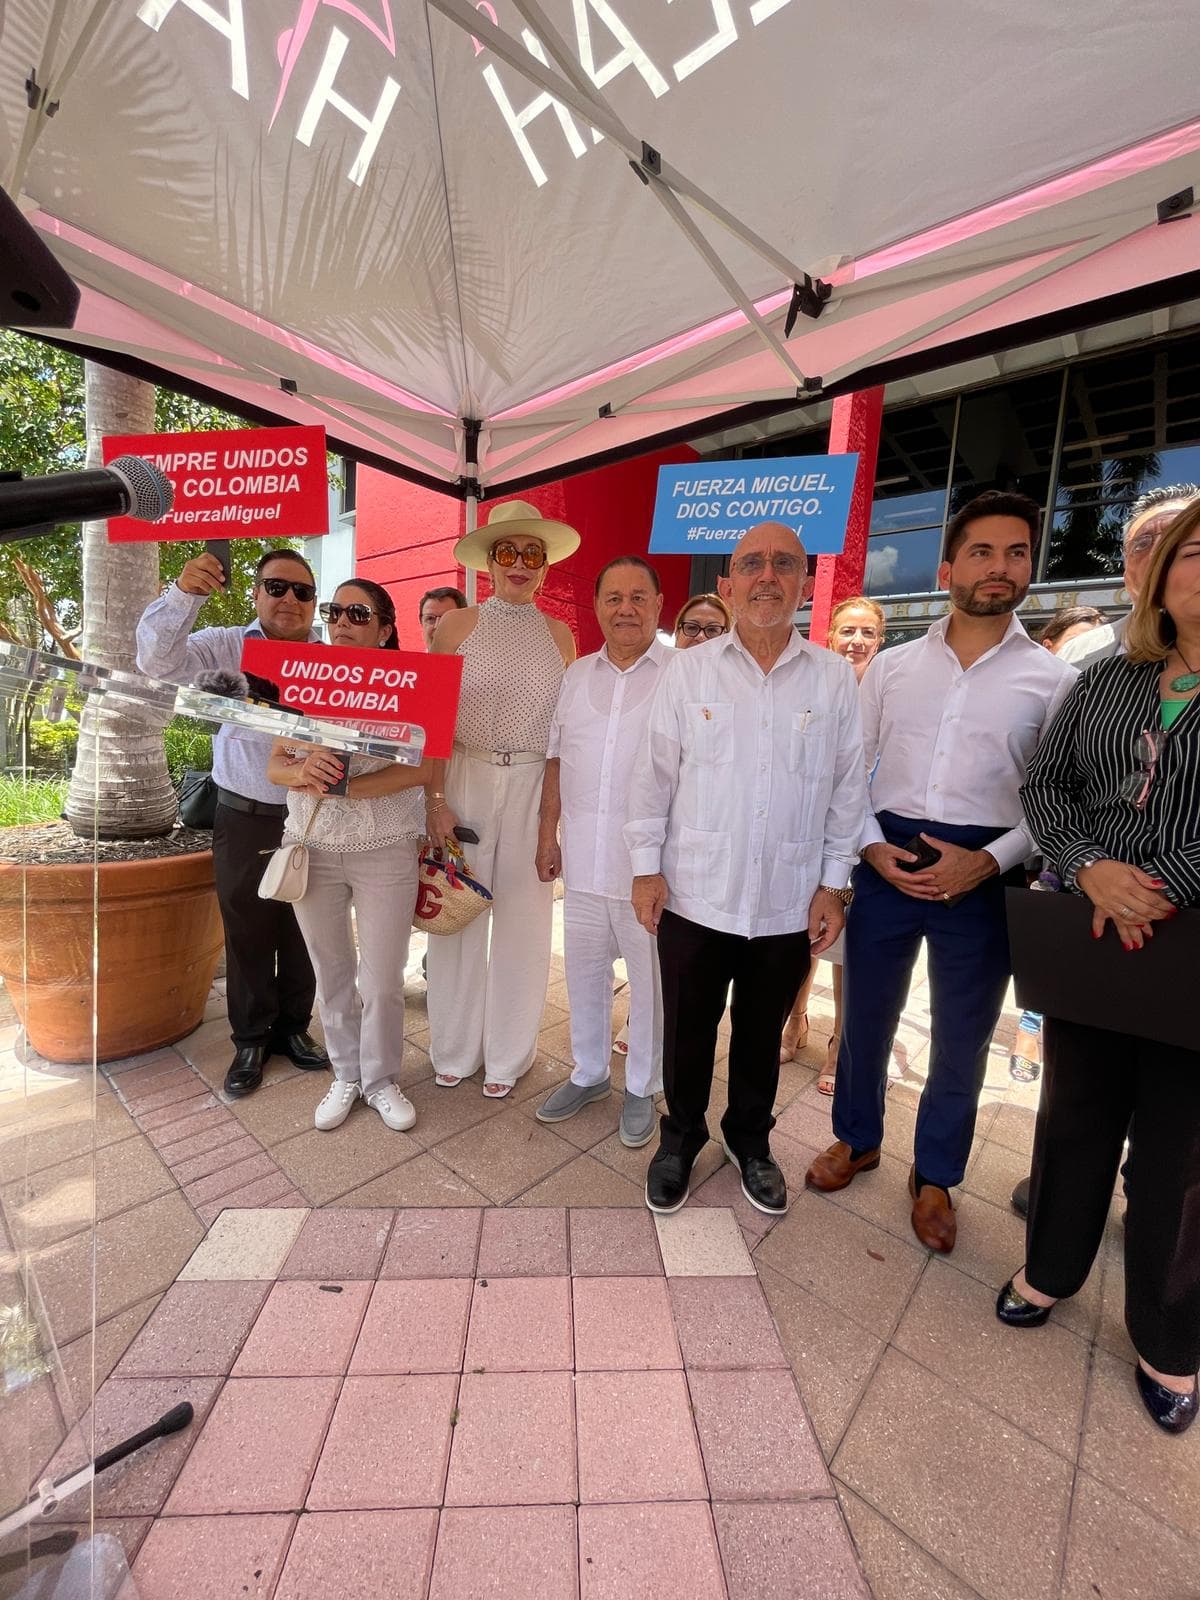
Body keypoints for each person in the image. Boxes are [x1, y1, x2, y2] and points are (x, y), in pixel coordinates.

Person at [806, 491, 1077, 1254]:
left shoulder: (1051, 681)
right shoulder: (891, 668)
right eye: (984, 552)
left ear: (1030, 567)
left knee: (961, 1037)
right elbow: (850, 768)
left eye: (1016, 553)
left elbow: (1056, 797)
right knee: (864, 1016)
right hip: (888, 853)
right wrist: (866, 847)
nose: (1000, 567)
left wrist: (990, 860)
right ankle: (856, 1140)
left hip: (985, 871)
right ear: (948, 565)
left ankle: (936, 1175)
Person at [998, 500, 1200, 1435]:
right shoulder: (1110, 678)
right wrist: (1091, 868)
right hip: (1091, 936)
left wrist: (1158, 885)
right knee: (1073, 1117)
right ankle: (1050, 1272)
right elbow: (1045, 782)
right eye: (1192, 550)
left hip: (1189, 944)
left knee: (1183, 1155)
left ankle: (1169, 1340)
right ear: (1160, 576)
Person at [627, 522, 867, 1216]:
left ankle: (750, 1140)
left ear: (803, 582)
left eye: (783, 564)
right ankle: (679, 1139)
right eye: (752, 564)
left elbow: (849, 788)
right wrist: (646, 870)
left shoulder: (830, 680)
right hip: (696, 894)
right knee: (688, 1031)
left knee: (762, 1037)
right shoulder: (688, 671)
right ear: (729, 583)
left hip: (788, 899)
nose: (768, 576)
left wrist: (833, 882)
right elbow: (652, 778)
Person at [137, 548, 329, 1098]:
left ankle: (294, 1030)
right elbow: (155, 661)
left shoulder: (332, 657)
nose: (289, 599)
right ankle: (250, 1039)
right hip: (243, 813)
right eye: (277, 587)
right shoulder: (225, 646)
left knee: (302, 930)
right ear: (255, 591)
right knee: (246, 930)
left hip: (310, 816)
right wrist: (185, 594)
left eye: (303, 591)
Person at [265, 579, 432, 1132]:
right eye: (335, 611)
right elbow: (276, 766)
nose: (341, 621)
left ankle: (383, 1079)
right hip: (312, 848)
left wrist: (342, 788)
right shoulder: (302, 677)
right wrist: (302, 769)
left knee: (382, 977)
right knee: (331, 971)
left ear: (386, 629)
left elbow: (423, 769)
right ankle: (347, 1073)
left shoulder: (413, 684)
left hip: (386, 846)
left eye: (358, 614)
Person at [424, 500, 578, 1096]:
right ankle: (454, 1047)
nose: (519, 564)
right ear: (489, 561)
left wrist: (550, 825)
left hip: (534, 784)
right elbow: (435, 722)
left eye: (531, 554)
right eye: (508, 552)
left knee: (525, 922)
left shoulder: (561, 635)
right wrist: (434, 799)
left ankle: (510, 1054)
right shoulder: (456, 627)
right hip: (465, 776)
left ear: (545, 566)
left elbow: (564, 737)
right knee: (457, 915)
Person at [534, 557, 669, 1147]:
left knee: (651, 983)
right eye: (613, 598)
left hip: (652, 868)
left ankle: (642, 1084)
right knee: (584, 975)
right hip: (584, 859)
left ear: (659, 604)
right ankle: (589, 1072)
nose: (626, 608)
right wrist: (547, 833)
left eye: (639, 597)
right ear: (596, 608)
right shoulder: (574, 675)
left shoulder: (683, 674)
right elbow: (556, 760)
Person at [781, 595, 886, 1093]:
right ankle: (796, 1019)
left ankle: (838, 1041)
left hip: (869, 842)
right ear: (831, 636)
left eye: (867, 632)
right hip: (810, 835)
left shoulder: (888, 688)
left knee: (848, 952)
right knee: (805, 939)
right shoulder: (817, 684)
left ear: (880, 640)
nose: (857, 640)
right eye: (848, 630)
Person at [1058, 485, 1199, 668]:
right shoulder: (1075, 655)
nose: (1158, 553)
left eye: (1178, 537)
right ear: (1127, 576)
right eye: (1142, 544)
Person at [419, 586, 467, 650]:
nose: (437, 626)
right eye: (430, 618)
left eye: (446, 618)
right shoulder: (408, 660)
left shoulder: (480, 659)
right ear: (421, 622)